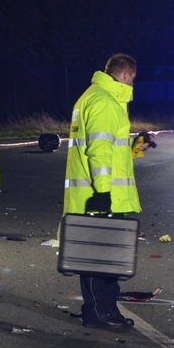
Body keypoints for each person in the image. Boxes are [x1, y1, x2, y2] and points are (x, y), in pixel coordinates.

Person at [63, 53, 141, 329]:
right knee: (103, 262)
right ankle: (100, 312)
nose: (132, 84)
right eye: (132, 79)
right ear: (125, 75)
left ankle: (100, 310)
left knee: (97, 259)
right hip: (102, 197)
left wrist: (132, 149)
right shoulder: (105, 102)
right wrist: (104, 192)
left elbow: (108, 149)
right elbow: (99, 151)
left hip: (95, 193)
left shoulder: (93, 97)